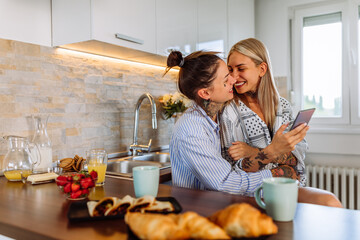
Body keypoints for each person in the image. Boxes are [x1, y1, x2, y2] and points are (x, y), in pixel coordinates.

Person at [220, 38, 342, 207]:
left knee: (331, 202)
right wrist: (277, 154)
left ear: (262, 69)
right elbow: (235, 168)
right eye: (230, 70)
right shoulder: (229, 111)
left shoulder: (282, 105)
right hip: (252, 191)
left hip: (288, 186)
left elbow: (295, 160)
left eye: (241, 69)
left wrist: (253, 151)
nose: (234, 76)